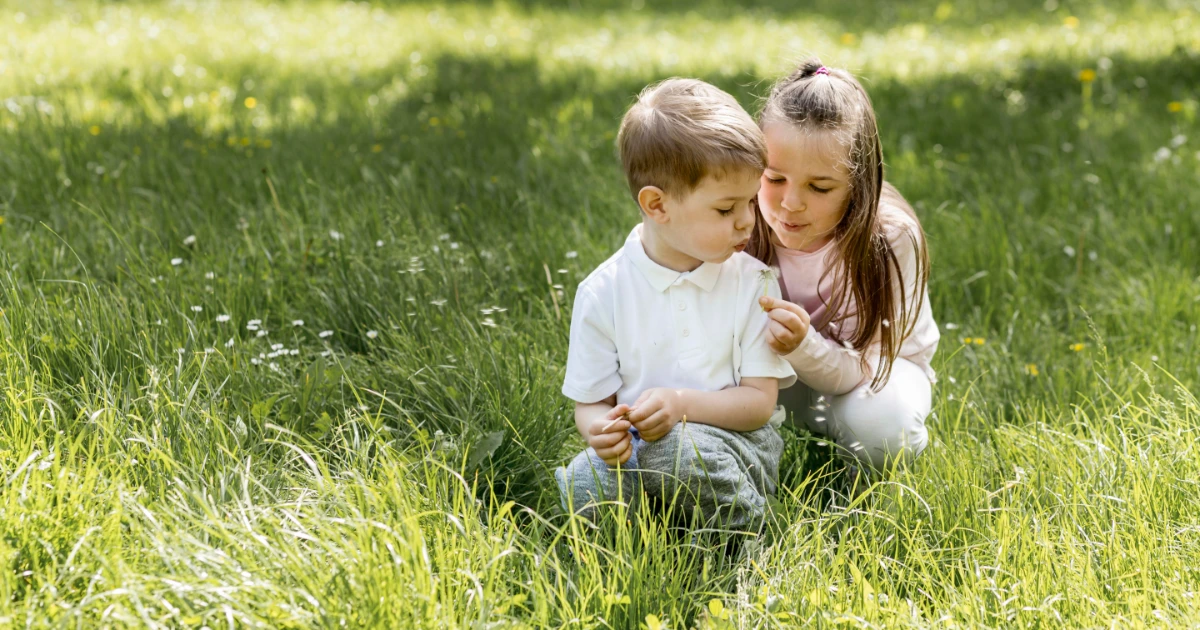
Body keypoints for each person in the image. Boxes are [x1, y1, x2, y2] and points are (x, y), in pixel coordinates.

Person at [555, 78, 797, 530]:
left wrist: (679, 405)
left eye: (750, 200)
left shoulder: (753, 284)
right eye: (726, 210)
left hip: (737, 445)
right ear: (657, 205)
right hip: (639, 448)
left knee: (676, 453)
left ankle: (747, 534)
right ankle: (650, 527)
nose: (748, 220)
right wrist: (599, 433)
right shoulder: (603, 292)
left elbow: (759, 405)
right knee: (583, 482)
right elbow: (591, 403)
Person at [749, 60, 939, 473]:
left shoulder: (888, 239)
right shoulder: (737, 217)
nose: (791, 203)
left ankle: (859, 486)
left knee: (883, 429)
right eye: (774, 179)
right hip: (775, 373)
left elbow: (865, 363)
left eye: (819, 187)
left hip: (876, 373)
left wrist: (802, 345)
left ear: (859, 185)